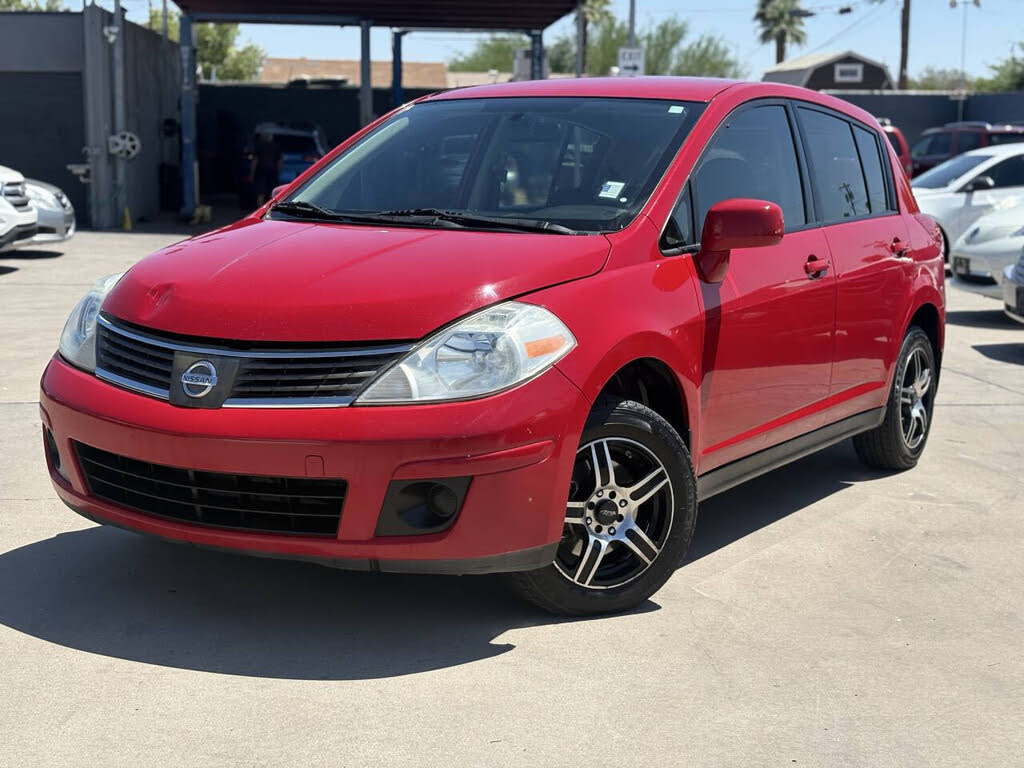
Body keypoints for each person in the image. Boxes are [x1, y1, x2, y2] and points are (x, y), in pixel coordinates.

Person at [251, 130, 283, 206]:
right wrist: (279, 172)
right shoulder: (276, 146)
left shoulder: (259, 146)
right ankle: (271, 208)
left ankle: (260, 208)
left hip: (261, 171)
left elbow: (255, 160)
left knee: (260, 192)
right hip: (272, 171)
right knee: (272, 192)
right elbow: (280, 161)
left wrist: (252, 173)